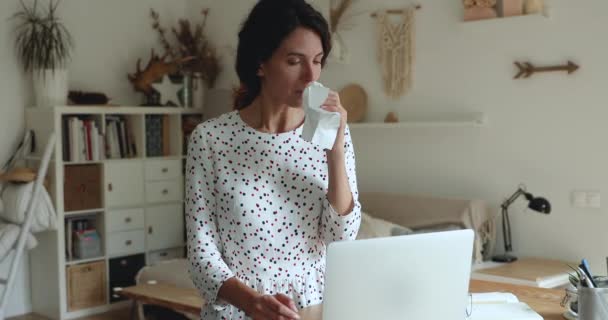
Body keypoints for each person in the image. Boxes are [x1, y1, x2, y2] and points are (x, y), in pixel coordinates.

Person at [185, 0, 361, 319]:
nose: (311, 75)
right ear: (260, 64)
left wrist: (335, 153)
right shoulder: (210, 139)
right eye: (295, 61)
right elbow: (200, 255)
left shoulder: (332, 134)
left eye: (318, 61)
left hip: (312, 311)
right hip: (237, 313)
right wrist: (252, 302)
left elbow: (342, 239)